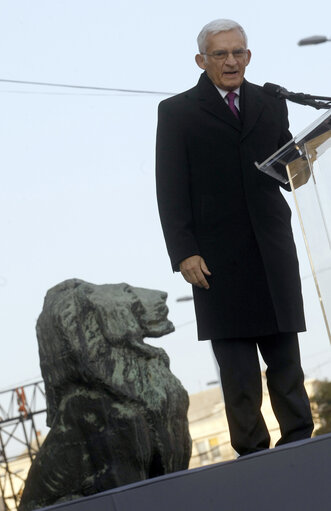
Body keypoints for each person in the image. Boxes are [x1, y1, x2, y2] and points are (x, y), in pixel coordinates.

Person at [155, 18, 314, 456]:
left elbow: (287, 172)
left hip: (272, 253)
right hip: (217, 262)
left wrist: (305, 156)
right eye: (221, 54)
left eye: (238, 52)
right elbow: (169, 187)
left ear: (249, 55)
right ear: (201, 60)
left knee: (287, 365)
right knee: (240, 375)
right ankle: (255, 461)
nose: (231, 61)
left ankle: (302, 448)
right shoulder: (177, 112)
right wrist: (183, 251)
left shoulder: (269, 102)